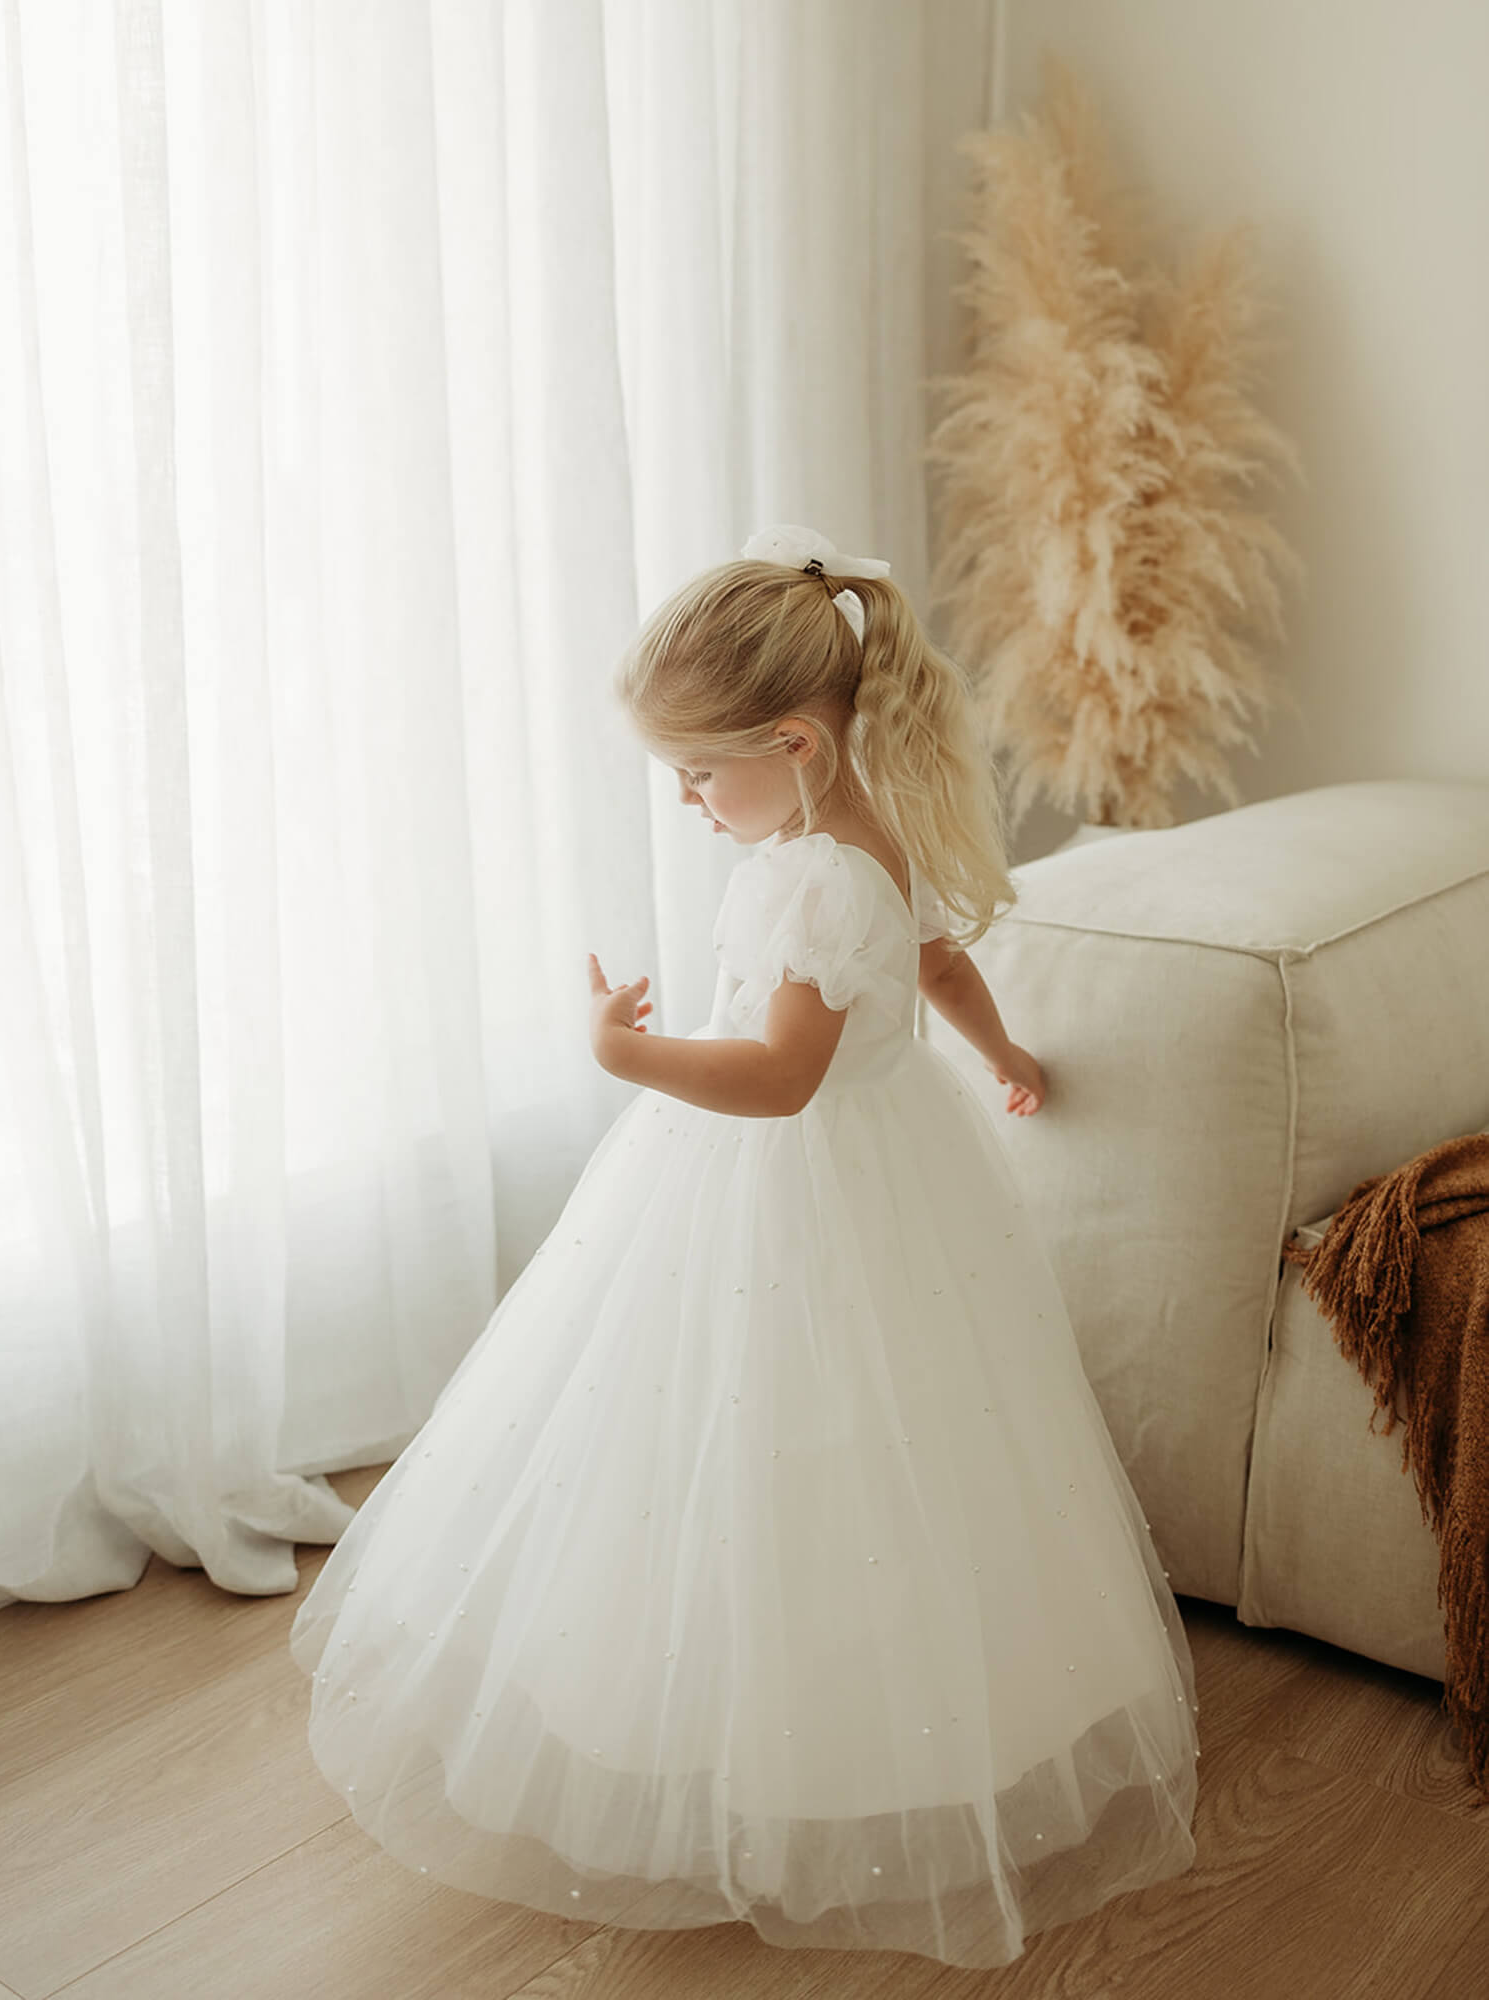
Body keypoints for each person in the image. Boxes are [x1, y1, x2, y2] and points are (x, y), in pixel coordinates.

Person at [289, 524, 1199, 1972]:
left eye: (704, 772)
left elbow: (779, 1079)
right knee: (858, 1433)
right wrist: (1003, 1049)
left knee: (770, 1429)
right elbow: (941, 959)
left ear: (795, 742)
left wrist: (625, 1056)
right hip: (895, 1170)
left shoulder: (812, 881)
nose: (692, 801)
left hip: (799, 1181)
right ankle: (829, 1724)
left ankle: (777, 1753)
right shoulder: (858, 835)